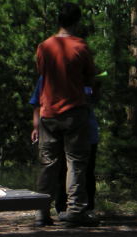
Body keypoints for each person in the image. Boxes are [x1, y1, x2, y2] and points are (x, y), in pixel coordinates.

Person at [34, 2, 98, 227]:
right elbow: (90, 77)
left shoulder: (44, 47)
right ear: (77, 22)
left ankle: (42, 212)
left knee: (48, 163)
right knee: (76, 163)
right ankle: (75, 210)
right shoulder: (80, 46)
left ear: (58, 21)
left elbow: (42, 73)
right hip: (74, 111)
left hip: (48, 112)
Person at [30, 75, 99, 218]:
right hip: (63, 130)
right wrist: (36, 126)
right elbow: (37, 103)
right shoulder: (47, 77)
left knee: (82, 170)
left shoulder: (82, 76)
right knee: (66, 169)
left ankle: (80, 209)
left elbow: (93, 99)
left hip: (84, 131)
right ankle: (67, 209)